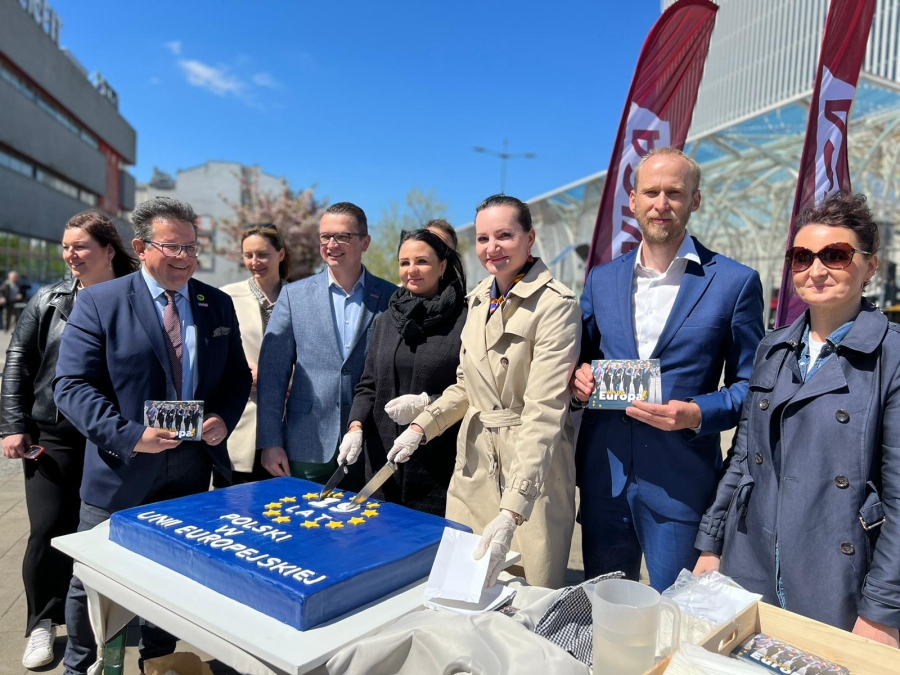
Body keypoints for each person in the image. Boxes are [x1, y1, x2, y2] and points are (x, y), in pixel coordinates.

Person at [54, 196, 252, 675]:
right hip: (121, 469)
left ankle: (158, 662)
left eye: (192, 247)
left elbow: (235, 378)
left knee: (170, 578)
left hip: (190, 469)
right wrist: (129, 435)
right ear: (142, 247)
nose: (185, 258)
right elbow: (71, 386)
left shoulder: (215, 303)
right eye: (172, 247)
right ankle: (80, 666)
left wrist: (222, 418)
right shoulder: (100, 302)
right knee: (94, 580)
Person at [694, 193, 900, 647]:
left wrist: (883, 611)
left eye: (836, 255)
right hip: (750, 562)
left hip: (842, 580)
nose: (816, 269)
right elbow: (743, 457)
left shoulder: (891, 355)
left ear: (870, 266)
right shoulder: (773, 348)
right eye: (802, 257)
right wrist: (711, 544)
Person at [571, 147, 764, 591]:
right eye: (651, 192)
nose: (662, 204)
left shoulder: (734, 282)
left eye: (674, 193)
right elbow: (581, 357)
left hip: (680, 484)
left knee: (677, 616)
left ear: (695, 200)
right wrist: (579, 379)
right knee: (605, 611)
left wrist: (696, 413)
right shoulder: (602, 279)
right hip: (605, 479)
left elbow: (753, 387)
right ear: (633, 199)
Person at [390, 194, 581, 589]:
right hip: (474, 463)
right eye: (482, 238)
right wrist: (422, 426)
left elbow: (545, 411)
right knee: (462, 587)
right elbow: (468, 386)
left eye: (504, 235)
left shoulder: (556, 305)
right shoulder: (477, 301)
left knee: (526, 597)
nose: (492, 248)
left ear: (530, 238)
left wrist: (513, 510)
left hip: (531, 467)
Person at [0, 211, 138, 670]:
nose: (70, 255)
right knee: (48, 529)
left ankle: (110, 620)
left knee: (107, 529)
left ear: (108, 250)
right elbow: (18, 362)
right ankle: (43, 621)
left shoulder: (138, 297)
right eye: (65, 246)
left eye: (80, 246)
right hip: (56, 434)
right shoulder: (49, 299)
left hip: (117, 433)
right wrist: (12, 424)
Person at [257, 202, 396, 489]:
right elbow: (272, 375)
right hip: (307, 445)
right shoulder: (293, 296)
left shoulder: (391, 297)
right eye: (325, 236)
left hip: (371, 444)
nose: (331, 245)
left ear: (365, 242)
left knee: (366, 518)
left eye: (342, 236)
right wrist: (270, 441)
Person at [339, 228, 467, 514]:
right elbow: (368, 384)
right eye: (404, 262)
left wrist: (428, 403)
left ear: (442, 266)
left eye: (422, 261)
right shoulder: (387, 320)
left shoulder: (465, 320)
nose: (412, 270)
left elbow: (472, 388)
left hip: (439, 464)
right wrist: (355, 426)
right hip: (383, 463)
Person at [218, 224, 290, 485]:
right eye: (248, 255)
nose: (254, 262)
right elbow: (213, 353)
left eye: (262, 254)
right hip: (240, 420)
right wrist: (242, 370)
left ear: (280, 254)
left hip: (289, 421)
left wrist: (286, 378)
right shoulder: (226, 296)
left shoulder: (301, 297)